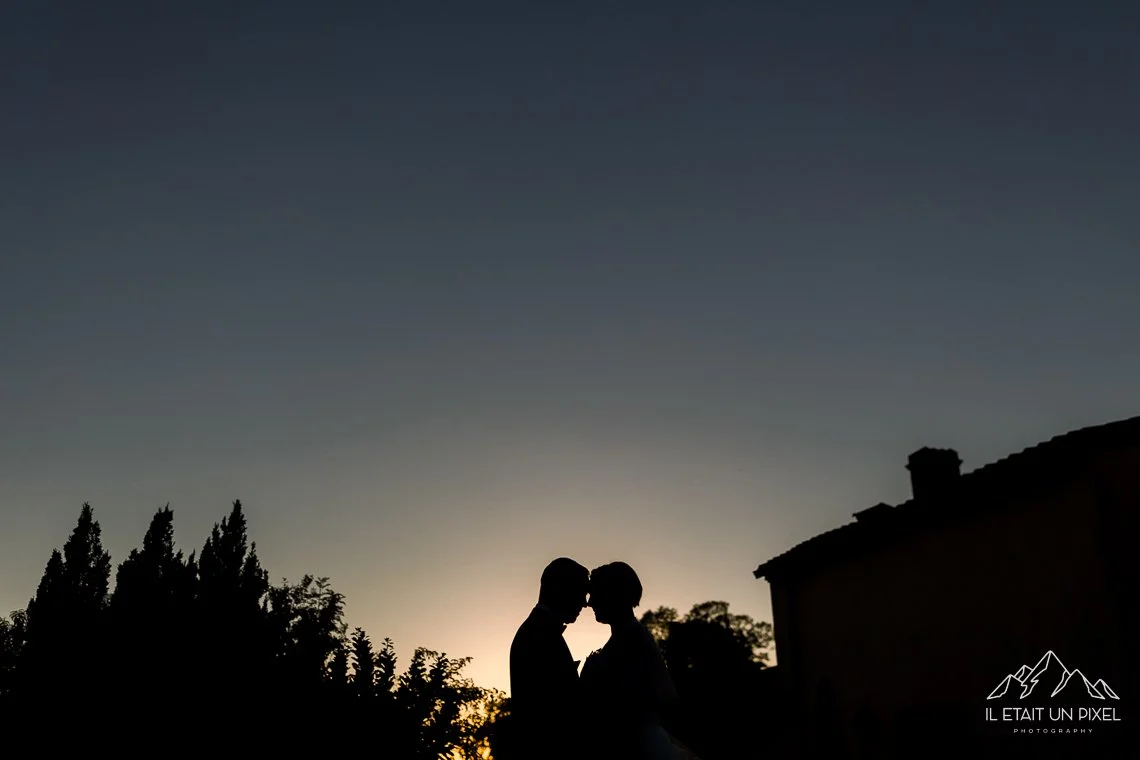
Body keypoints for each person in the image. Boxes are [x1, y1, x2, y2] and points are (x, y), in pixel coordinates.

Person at [580, 561, 696, 760]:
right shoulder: (628, 636)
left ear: (615, 595)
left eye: (596, 593)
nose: (590, 603)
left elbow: (634, 703)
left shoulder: (633, 640)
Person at [508, 557, 590, 760]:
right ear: (560, 589)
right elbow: (554, 709)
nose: (585, 603)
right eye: (580, 592)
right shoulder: (537, 634)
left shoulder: (540, 630)